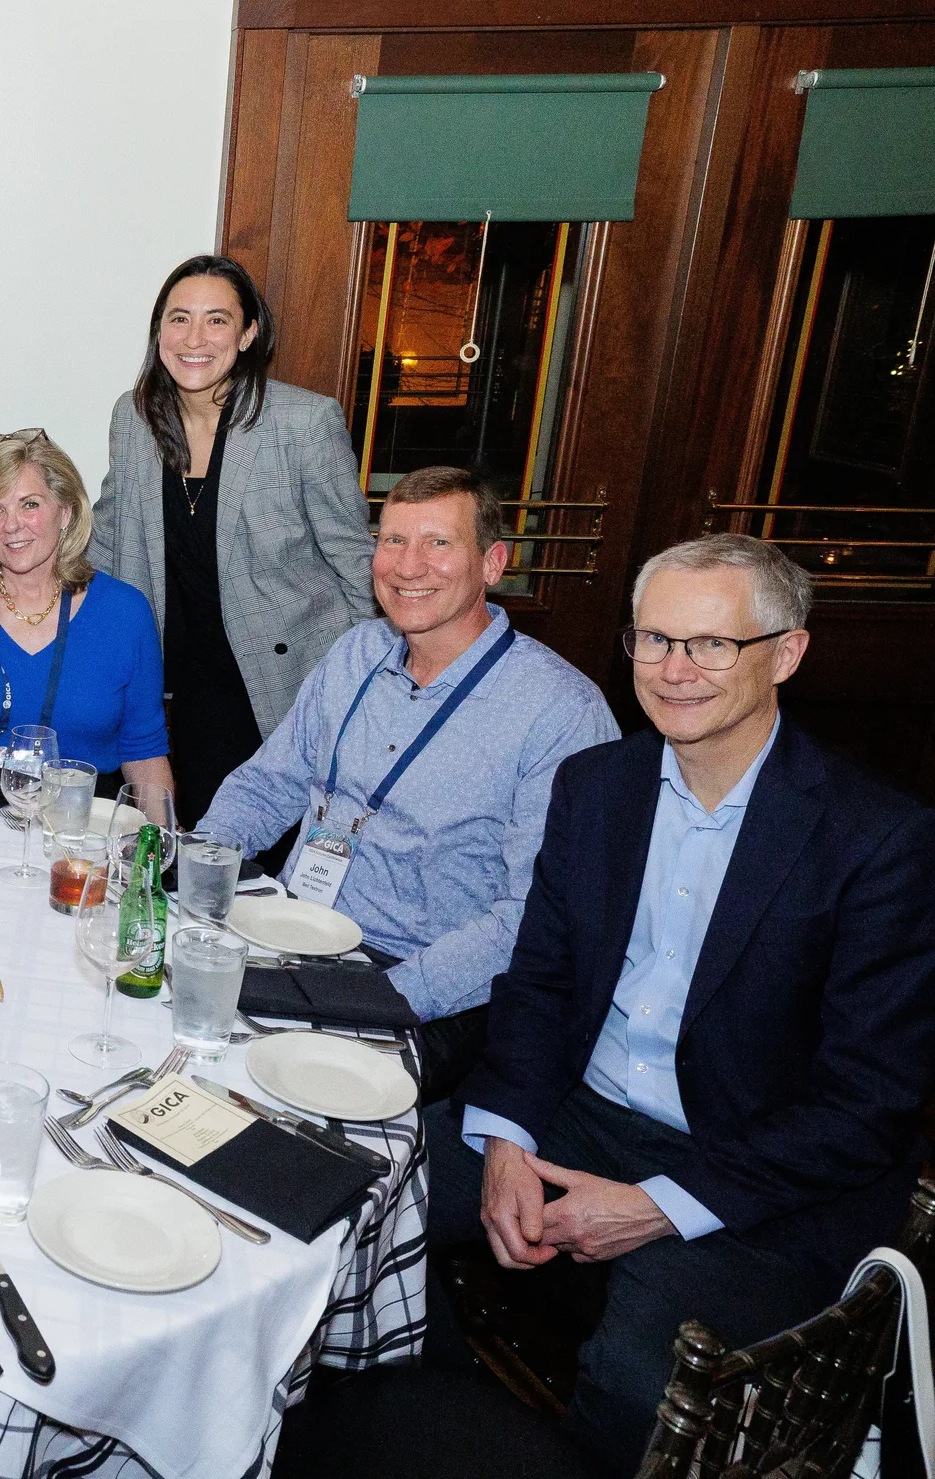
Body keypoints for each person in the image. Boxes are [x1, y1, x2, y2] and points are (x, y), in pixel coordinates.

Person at [431, 534, 935, 1473]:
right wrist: (504, 1136)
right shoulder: (597, 786)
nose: (674, 669)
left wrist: (658, 1205)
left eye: (711, 644)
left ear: (786, 653)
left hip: (761, 1162)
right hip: (587, 1112)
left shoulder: (879, 841)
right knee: (377, 1191)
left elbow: (868, 1105)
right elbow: (539, 983)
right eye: (654, 639)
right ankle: (436, 1426)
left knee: (642, 1369)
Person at [197, 466, 618, 1090]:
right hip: (292, 934)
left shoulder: (560, 712)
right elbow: (268, 784)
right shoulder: (356, 653)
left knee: (272, 1112)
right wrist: (197, 877)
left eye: (438, 544)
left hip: (422, 984)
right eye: (393, 541)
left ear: (493, 563)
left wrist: (376, 996)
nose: (408, 566)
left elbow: (532, 916)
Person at [89, 255, 372, 821]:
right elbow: (111, 537)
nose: (195, 338)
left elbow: (357, 562)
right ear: (159, 332)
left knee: (242, 862)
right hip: (172, 680)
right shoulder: (135, 417)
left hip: (277, 682)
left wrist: (367, 683)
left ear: (248, 333)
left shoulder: (303, 422)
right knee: (169, 844)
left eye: (217, 320)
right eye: (178, 318)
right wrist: (22, 581)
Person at [0, 430, 174, 796]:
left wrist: (160, 845)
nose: (11, 525)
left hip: (84, 830)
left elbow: (144, 752)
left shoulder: (125, 613)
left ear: (65, 511)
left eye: (29, 504)